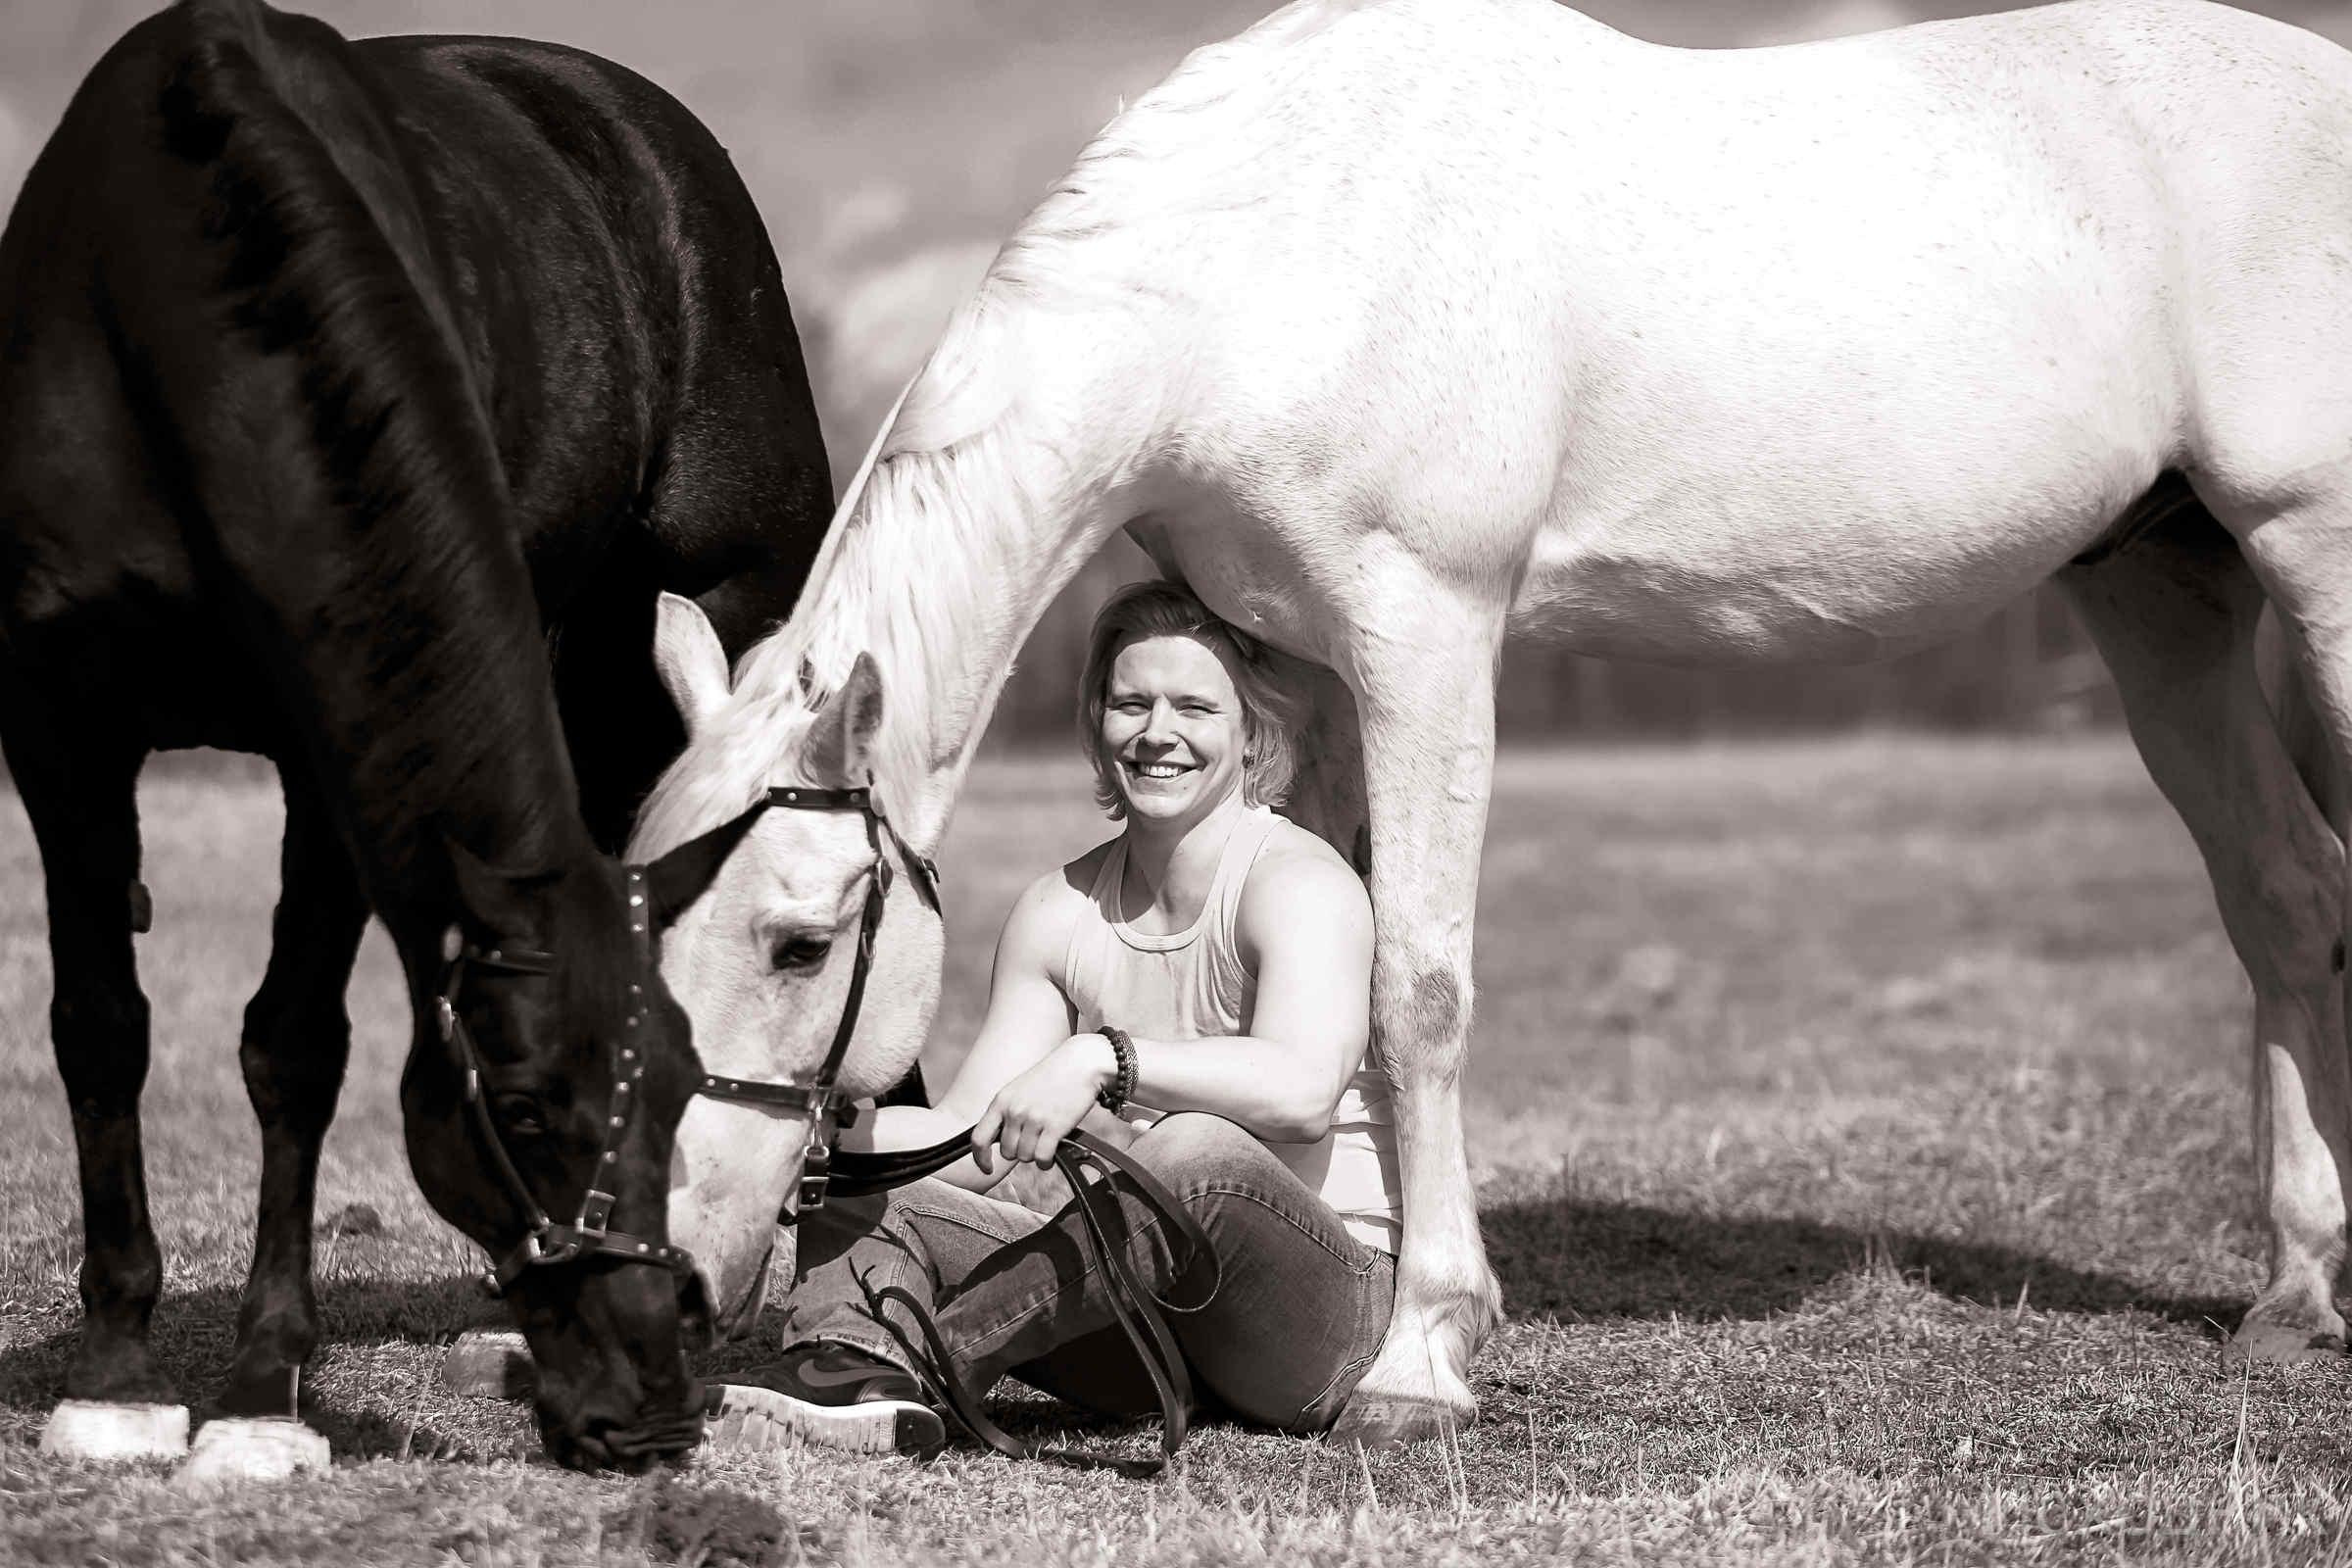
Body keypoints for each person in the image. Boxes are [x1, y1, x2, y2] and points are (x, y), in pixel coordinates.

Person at [707, 579, 1400, 1455]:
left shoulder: (1299, 883)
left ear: (1252, 732)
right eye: (1131, 704)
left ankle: (940, 1356)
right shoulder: (1058, 909)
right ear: (1097, 721)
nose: (1157, 732)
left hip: (1318, 1321)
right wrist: (800, 1139)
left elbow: (1302, 1093)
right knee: (867, 1187)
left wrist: (1102, 1058)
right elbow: (968, 1134)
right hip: (1149, 1320)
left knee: (1193, 1151)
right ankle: (848, 1379)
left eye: (1194, 708)